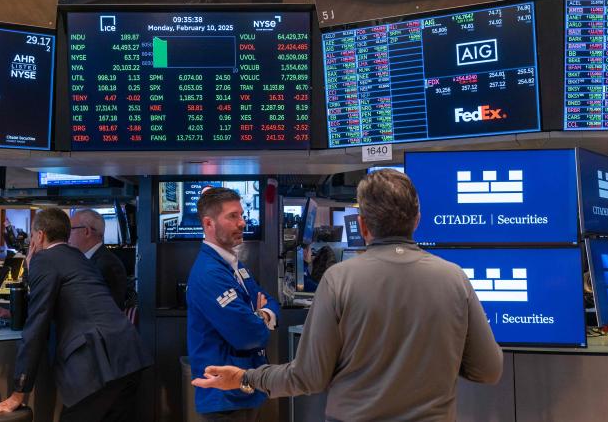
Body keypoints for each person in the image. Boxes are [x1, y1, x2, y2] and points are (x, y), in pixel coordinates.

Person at [192, 169, 504, 421]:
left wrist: (247, 378)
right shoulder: (454, 278)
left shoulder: (339, 280)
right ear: (417, 219)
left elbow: (308, 377)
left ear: (363, 225)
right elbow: (489, 369)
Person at [0, 208, 151, 421]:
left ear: (40, 235)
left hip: (97, 367)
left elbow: (36, 327)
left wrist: (19, 392)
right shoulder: (77, 256)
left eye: (32, 235)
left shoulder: (45, 259)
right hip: (129, 357)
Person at [187, 187, 280, 422]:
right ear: (208, 223)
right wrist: (262, 317)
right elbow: (248, 334)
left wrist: (260, 314)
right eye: (232, 216)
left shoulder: (234, 265)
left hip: (244, 387)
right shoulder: (210, 273)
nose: (242, 222)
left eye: (242, 214)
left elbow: (270, 300)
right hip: (224, 398)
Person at [68, 208, 127, 309]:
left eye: (71, 229)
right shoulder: (87, 260)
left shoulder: (107, 265)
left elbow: (109, 311)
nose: (67, 235)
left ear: (87, 231)